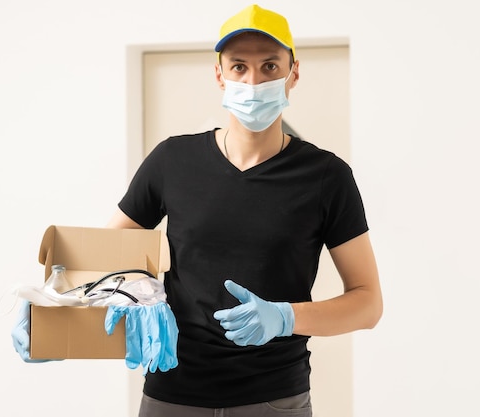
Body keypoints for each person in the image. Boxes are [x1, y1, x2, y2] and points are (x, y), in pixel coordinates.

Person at [105, 4, 383, 416]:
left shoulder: (326, 176)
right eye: (239, 67)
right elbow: (102, 257)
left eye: (270, 66)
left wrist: (286, 317)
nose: (253, 81)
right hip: (171, 394)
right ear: (219, 75)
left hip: (273, 399)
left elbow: (368, 303)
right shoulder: (171, 160)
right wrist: (56, 320)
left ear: (293, 75)